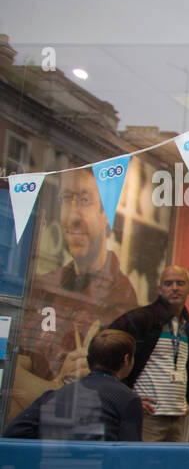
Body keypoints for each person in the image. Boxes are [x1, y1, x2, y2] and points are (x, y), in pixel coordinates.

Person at [9, 168, 139, 420]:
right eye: (67, 199)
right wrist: (54, 389)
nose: (72, 216)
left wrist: (38, 391)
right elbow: (14, 373)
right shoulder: (44, 286)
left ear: (105, 215)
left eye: (84, 201)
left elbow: (97, 391)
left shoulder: (122, 299)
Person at [108, 265, 189, 442]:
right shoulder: (141, 319)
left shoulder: (188, 329)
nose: (174, 288)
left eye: (180, 283)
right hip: (147, 418)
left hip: (178, 417)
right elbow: (106, 353)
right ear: (159, 289)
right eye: (168, 284)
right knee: (143, 467)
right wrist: (127, 398)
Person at [3, 329, 142, 441]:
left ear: (88, 359)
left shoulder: (54, 395)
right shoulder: (127, 399)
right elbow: (130, 454)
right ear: (126, 359)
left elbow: (13, 432)